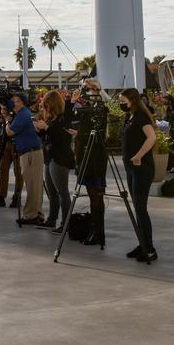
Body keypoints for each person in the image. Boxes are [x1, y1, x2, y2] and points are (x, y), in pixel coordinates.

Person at [121, 88, 158, 262]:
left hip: (141, 168)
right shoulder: (130, 117)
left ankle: (149, 248)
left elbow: (151, 138)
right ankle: (142, 243)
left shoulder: (141, 117)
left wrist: (138, 156)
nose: (121, 103)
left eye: (124, 101)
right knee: (136, 207)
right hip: (131, 168)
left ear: (132, 100)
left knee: (141, 208)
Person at [73, 81, 109, 246]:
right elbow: (70, 119)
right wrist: (72, 102)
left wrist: (80, 133)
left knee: (96, 195)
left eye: (88, 89)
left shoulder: (100, 109)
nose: (85, 93)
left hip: (94, 157)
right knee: (92, 194)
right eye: (84, 89)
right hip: (84, 155)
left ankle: (97, 231)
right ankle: (95, 230)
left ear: (96, 91)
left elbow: (96, 132)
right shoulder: (85, 108)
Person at [39, 91, 75, 233]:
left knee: (62, 192)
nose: (44, 107)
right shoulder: (51, 119)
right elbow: (48, 136)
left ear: (52, 104)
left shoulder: (62, 118)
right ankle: (51, 220)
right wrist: (40, 128)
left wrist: (46, 128)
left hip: (60, 158)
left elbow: (63, 138)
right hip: (50, 157)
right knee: (52, 193)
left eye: (46, 104)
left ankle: (65, 224)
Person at [8, 91, 45, 226]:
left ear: (22, 102)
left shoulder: (23, 114)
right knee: (35, 185)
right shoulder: (25, 113)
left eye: (15, 101)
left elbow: (10, 132)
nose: (13, 104)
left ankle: (31, 215)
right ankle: (36, 213)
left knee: (32, 185)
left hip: (30, 154)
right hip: (31, 153)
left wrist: (7, 121)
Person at [0, 98, 25, 209]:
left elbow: (14, 130)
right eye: (1, 108)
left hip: (17, 143)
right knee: (2, 169)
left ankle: (17, 196)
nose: (2, 111)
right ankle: (1, 195)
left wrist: (8, 120)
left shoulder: (17, 115)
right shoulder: (4, 117)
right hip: (5, 144)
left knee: (18, 171)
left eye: (4, 108)